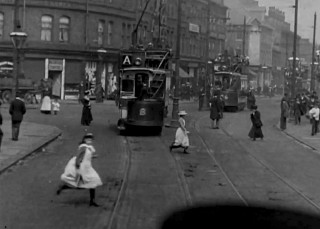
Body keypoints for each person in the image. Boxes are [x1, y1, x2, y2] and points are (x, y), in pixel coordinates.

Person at [56, 133, 102, 207]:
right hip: (83, 168)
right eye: (88, 139)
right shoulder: (83, 147)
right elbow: (78, 157)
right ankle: (63, 187)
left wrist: (93, 156)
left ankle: (92, 201)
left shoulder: (88, 147)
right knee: (82, 184)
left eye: (91, 139)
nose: (90, 140)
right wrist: (78, 168)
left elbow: (86, 156)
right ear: (84, 140)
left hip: (88, 168)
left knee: (91, 183)